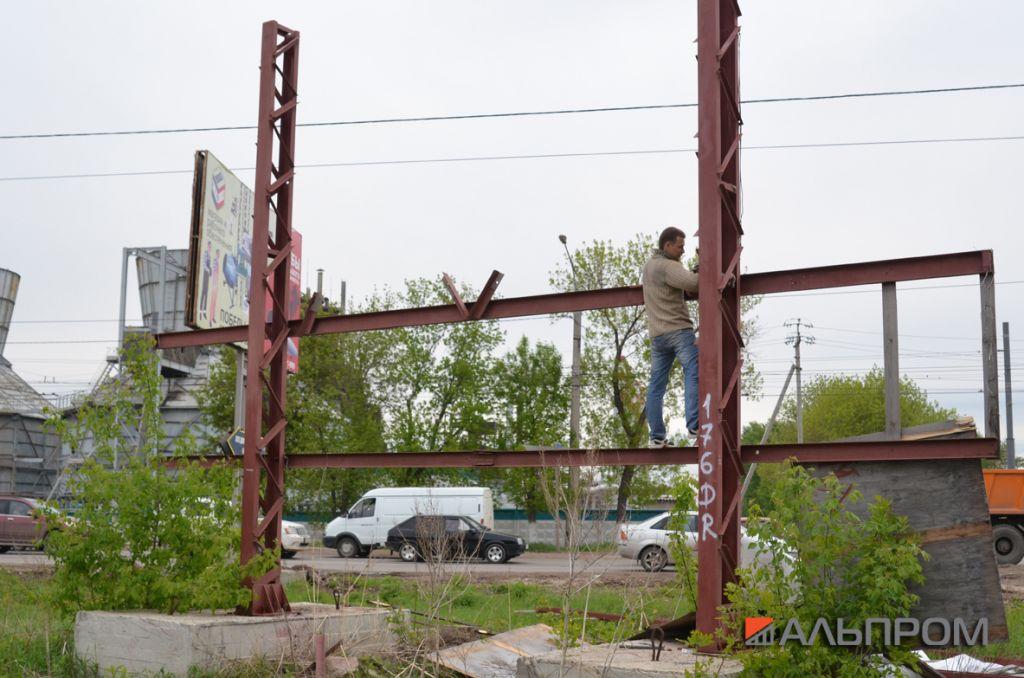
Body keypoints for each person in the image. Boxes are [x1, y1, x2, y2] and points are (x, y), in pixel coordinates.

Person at [642, 226, 699, 448]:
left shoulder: (649, 266)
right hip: (678, 331)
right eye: (680, 246)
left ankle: (656, 437)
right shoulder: (668, 265)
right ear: (667, 245)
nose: (683, 251)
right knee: (693, 372)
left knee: (656, 385)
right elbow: (695, 284)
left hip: (657, 335)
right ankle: (695, 428)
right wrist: (701, 268)